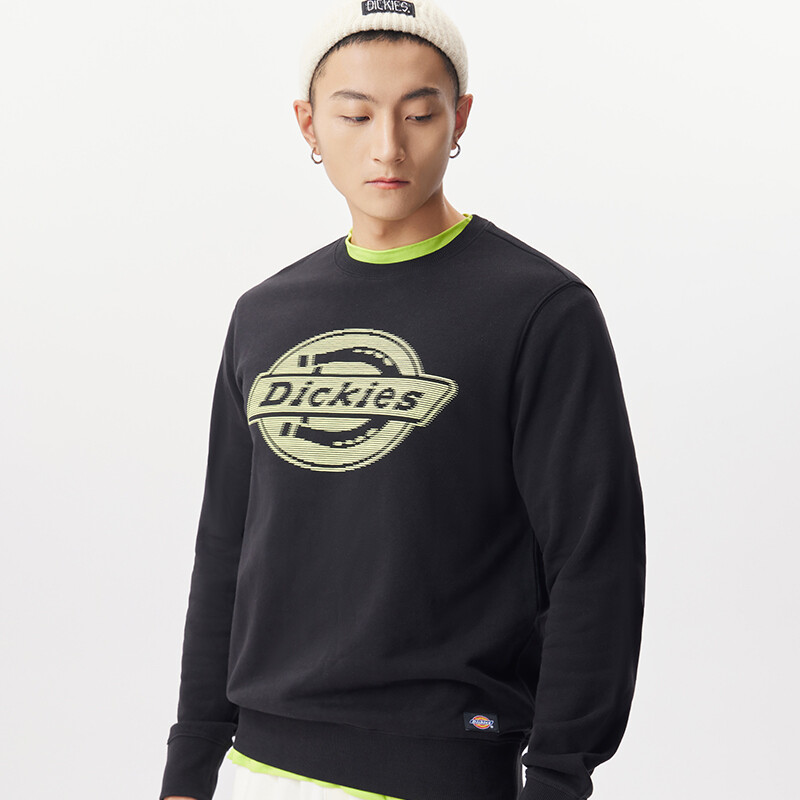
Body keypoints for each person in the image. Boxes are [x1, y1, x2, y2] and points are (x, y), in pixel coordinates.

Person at [159, 1, 647, 799]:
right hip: (259, 767)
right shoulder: (265, 313)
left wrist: (559, 776)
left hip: (442, 769)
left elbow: (595, 560)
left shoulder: (538, 309)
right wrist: (189, 769)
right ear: (309, 125)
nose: (387, 146)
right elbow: (225, 549)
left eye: (419, 114)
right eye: (355, 115)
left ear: (459, 119)